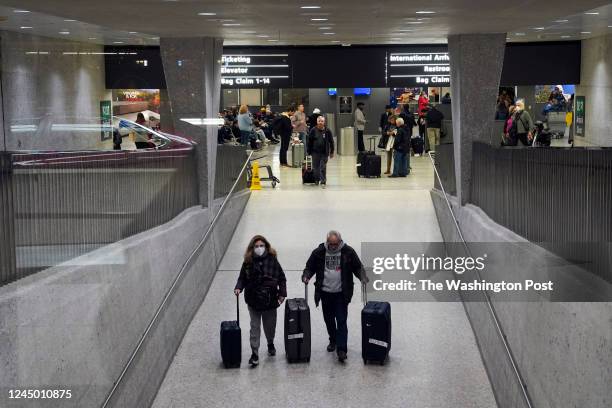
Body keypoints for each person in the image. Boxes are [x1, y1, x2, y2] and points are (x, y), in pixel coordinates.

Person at [302, 230, 367, 362]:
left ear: (340, 242)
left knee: (341, 320)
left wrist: (363, 277)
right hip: (325, 293)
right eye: (331, 244)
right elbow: (309, 267)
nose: (333, 247)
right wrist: (306, 276)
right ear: (327, 242)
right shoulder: (319, 252)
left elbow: (357, 267)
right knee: (329, 319)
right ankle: (333, 339)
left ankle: (342, 349)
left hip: (341, 294)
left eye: (335, 244)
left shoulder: (348, 252)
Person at [234, 235, 287, 367]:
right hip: (253, 300)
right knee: (254, 327)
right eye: (256, 246)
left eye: (261, 246)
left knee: (270, 326)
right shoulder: (248, 262)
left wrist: (282, 294)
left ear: (266, 246)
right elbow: (242, 278)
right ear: (252, 248)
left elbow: (281, 277)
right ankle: (255, 353)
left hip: (270, 300)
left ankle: (270, 343)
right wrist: (238, 288)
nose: (259, 248)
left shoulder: (272, 260)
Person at [306, 115, 334, 187]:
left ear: (324, 122)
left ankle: (323, 181)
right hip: (315, 152)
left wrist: (332, 152)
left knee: (323, 167)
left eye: (322, 121)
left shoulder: (327, 131)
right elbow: (309, 141)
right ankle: (316, 180)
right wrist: (308, 151)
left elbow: (331, 141)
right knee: (316, 168)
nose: (320, 123)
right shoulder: (313, 130)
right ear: (317, 122)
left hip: (324, 152)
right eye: (319, 121)